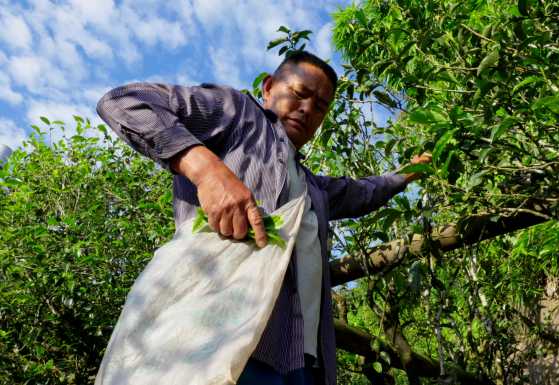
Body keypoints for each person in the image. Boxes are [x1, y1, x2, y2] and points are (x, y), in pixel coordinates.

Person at [97, 50, 430, 385]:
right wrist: (207, 171)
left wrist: (409, 173)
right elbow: (125, 101)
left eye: (320, 107)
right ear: (269, 87)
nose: (307, 109)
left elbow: (363, 192)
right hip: (222, 337)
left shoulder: (313, 188)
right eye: (300, 94)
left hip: (304, 361)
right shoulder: (240, 115)